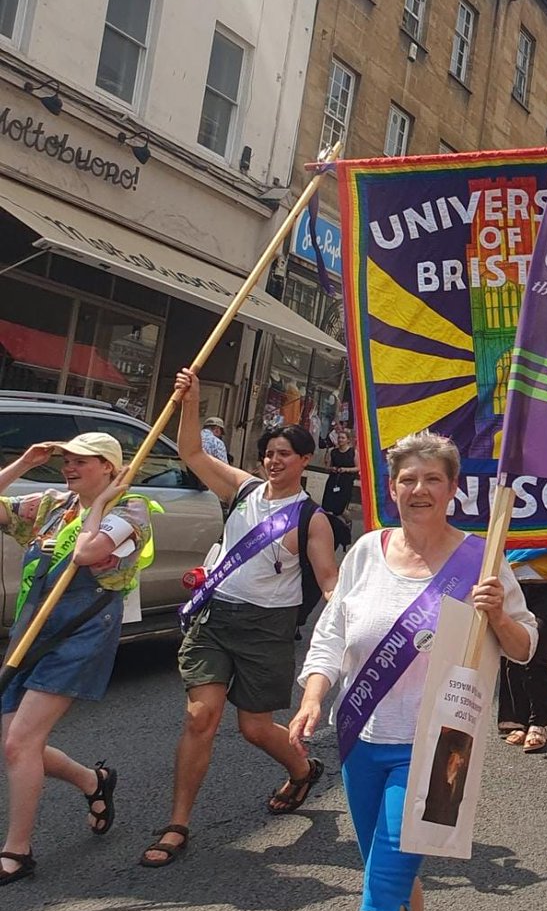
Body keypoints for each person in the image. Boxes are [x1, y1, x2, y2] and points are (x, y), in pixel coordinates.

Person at [290, 430, 536, 911]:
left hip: (438, 750)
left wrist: (495, 614)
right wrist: (314, 695)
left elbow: (524, 647)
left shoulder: (482, 561)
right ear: (392, 488)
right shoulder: (365, 551)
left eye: (432, 479)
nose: (418, 489)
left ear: (453, 490)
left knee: (380, 893)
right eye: (407, 480)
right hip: (362, 740)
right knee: (391, 872)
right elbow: (332, 633)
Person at [140, 369, 338, 867]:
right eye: (269, 453)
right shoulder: (245, 490)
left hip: (267, 629)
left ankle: (302, 770)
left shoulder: (311, 519)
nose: (274, 461)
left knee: (254, 728)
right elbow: (192, 454)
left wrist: (355, 619)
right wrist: (191, 400)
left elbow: (329, 580)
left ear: (305, 461)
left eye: (285, 455)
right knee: (200, 716)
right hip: (216, 618)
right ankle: (177, 823)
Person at [0, 433, 151, 885]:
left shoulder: (132, 510)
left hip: (80, 634)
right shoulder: (53, 505)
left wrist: (103, 502)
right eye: (65, 459)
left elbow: (86, 553)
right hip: (32, 628)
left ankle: (17, 850)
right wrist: (25, 462)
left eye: (81, 461)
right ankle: (93, 781)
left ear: (108, 467)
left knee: (18, 744)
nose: (68, 467)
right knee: (12, 741)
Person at [497, 543, 547, 753]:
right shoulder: (505, 511)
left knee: (536, 652)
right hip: (511, 583)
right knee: (511, 652)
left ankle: (539, 721)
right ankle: (519, 720)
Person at [321, 427, 358, 518]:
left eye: (343, 438)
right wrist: (331, 468)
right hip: (333, 481)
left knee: (340, 509)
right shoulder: (333, 452)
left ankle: (347, 522)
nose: (340, 440)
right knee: (328, 506)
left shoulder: (353, 452)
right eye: (339, 438)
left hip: (345, 482)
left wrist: (346, 469)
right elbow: (327, 467)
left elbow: (358, 468)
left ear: (348, 440)